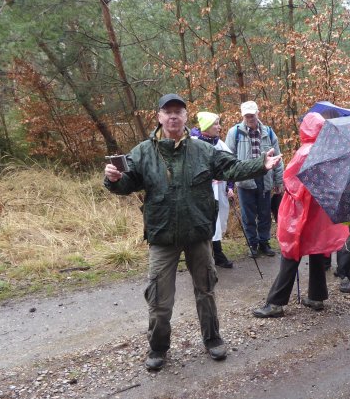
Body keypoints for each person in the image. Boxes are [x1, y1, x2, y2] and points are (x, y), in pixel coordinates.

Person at [104, 94, 282, 371]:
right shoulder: (142, 152)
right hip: (162, 235)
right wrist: (113, 179)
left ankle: (212, 339)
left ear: (187, 117)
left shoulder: (202, 150)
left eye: (179, 111)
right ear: (159, 117)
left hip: (198, 232)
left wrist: (261, 164)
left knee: (206, 289)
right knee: (159, 297)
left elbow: (232, 167)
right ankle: (158, 348)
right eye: (168, 112)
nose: (173, 116)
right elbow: (127, 183)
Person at [253, 113, 349, 318]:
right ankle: (317, 297)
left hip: (302, 213)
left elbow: (292, 184)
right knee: (317, 251)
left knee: (291, 253)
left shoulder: (305, 152)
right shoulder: (327, 150)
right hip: (320, 214)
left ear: (306, 128)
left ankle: (276, 303)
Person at [225, 101, 284, 258]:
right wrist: (229, 183)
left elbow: (278, 157)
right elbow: (228, 159)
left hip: (265, 178)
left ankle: (264, 242)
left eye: (252, 115)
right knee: (248, 215)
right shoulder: (234, 133)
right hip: (244, 180)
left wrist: (279, 181)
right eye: (247, 116)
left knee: (265, 213)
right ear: (242, 116)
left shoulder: (268, 132)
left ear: (258, 113)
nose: (250, 118)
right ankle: (253, 243)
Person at [191, 112, 234, 268]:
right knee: (204, 221)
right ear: (207, 126)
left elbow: (231, 165)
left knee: (218, 221)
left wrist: (230, 186)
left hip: (220, 189)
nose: (219, 127)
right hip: (202, 191)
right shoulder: (193, 143)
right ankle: (207, 256)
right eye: (216, 124)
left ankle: (217, 254)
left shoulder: (220, 144)